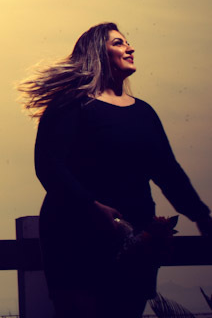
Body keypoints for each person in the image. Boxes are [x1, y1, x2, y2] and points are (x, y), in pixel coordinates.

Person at [19, 22, 212, 318]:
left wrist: (200, 215)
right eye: (119, 43)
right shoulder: (70, 105)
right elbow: (48, 165)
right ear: (98, 52)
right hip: (76, 234)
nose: (130, 48)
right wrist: (91, 206)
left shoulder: (143, 112)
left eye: (127, 42)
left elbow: (168, 171)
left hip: (136, 237)